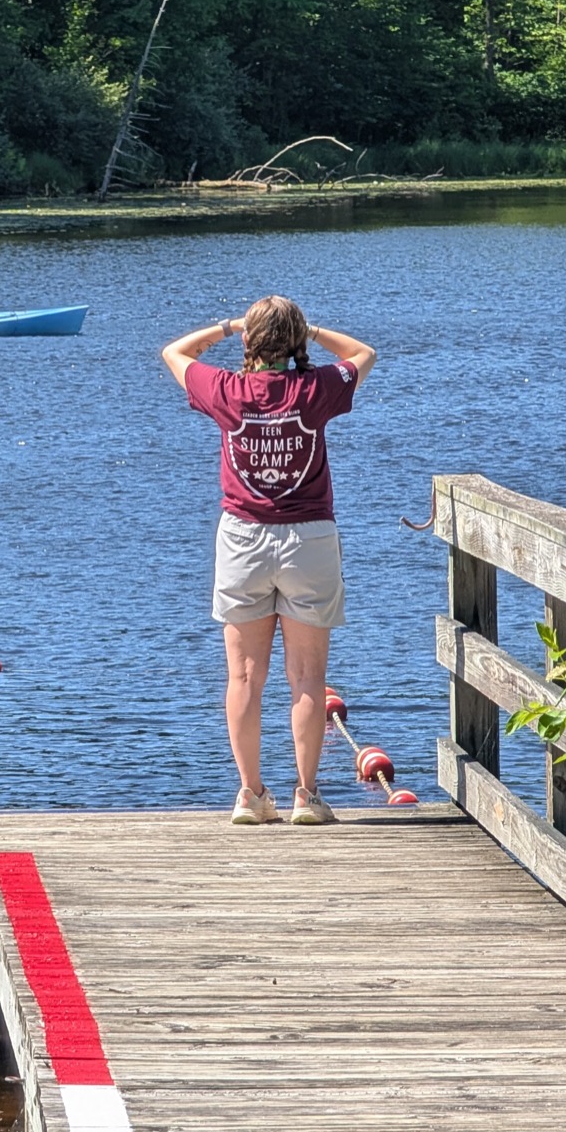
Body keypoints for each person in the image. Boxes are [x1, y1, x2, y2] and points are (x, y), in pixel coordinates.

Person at [162, 297, 376, 828]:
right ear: (297, 341)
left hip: (242, 539)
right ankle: (306, 795)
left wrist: (227, 327)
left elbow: (174, 351)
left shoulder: (227, 391)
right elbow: (364, 353)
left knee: (243, 677)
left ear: (248, 343)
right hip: (309, 541)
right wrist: (311, 331)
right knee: (307, 678)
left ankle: (251, 795)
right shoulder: (315, 389)